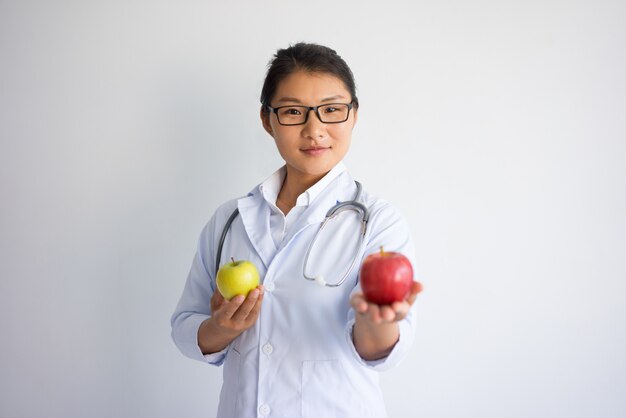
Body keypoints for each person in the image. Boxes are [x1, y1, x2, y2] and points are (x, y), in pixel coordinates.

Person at [171, 42, 422, 418]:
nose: (314, 129)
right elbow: (185, 326)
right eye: (292, 112)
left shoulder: (379, 222)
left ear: (353, 115)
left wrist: (375, 324)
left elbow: (380, 353)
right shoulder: (229, 220)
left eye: (332, 110)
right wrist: (220, 330)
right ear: (266, 120)